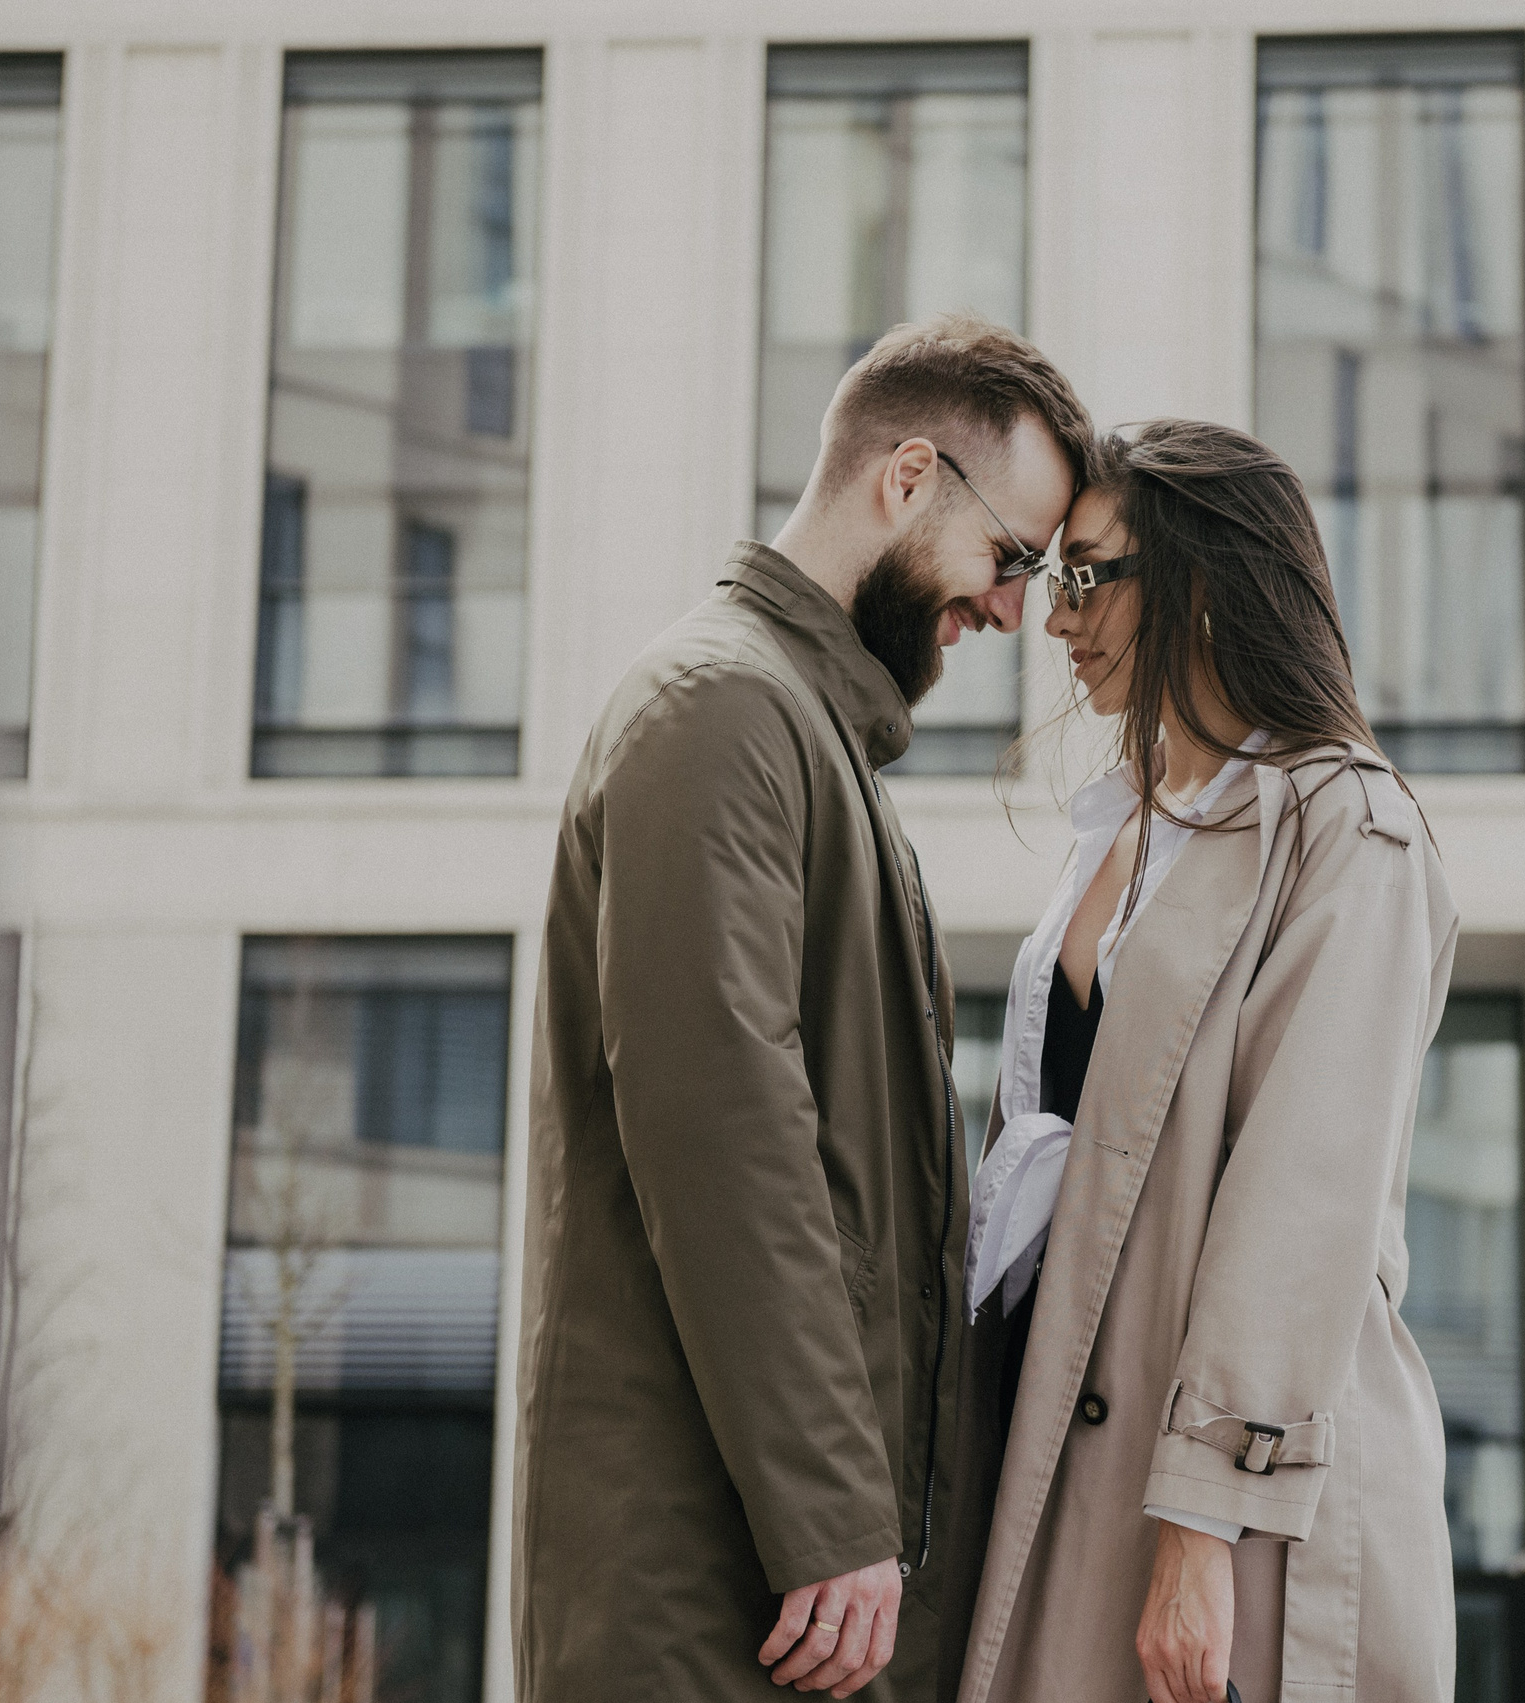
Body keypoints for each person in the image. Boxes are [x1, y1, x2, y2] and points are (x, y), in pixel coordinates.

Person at [511, 313, 1094, 1703]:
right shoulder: (719, 711)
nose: (1013, 612)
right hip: (716, 1582)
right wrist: (834, 1513)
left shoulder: (802, 733)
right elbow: (727, 1135)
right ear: (909, 477)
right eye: (1011, 558)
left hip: (779, 1584)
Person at [955, 421, 1460, 1703]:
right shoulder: (1120, 825)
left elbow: (1303, 1196)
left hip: (1240, 1509)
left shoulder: (1350, 825)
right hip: (1074, 1438)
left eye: (1086, 576)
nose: (1055, 619)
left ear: (1199, 584)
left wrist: (1201, 1521)